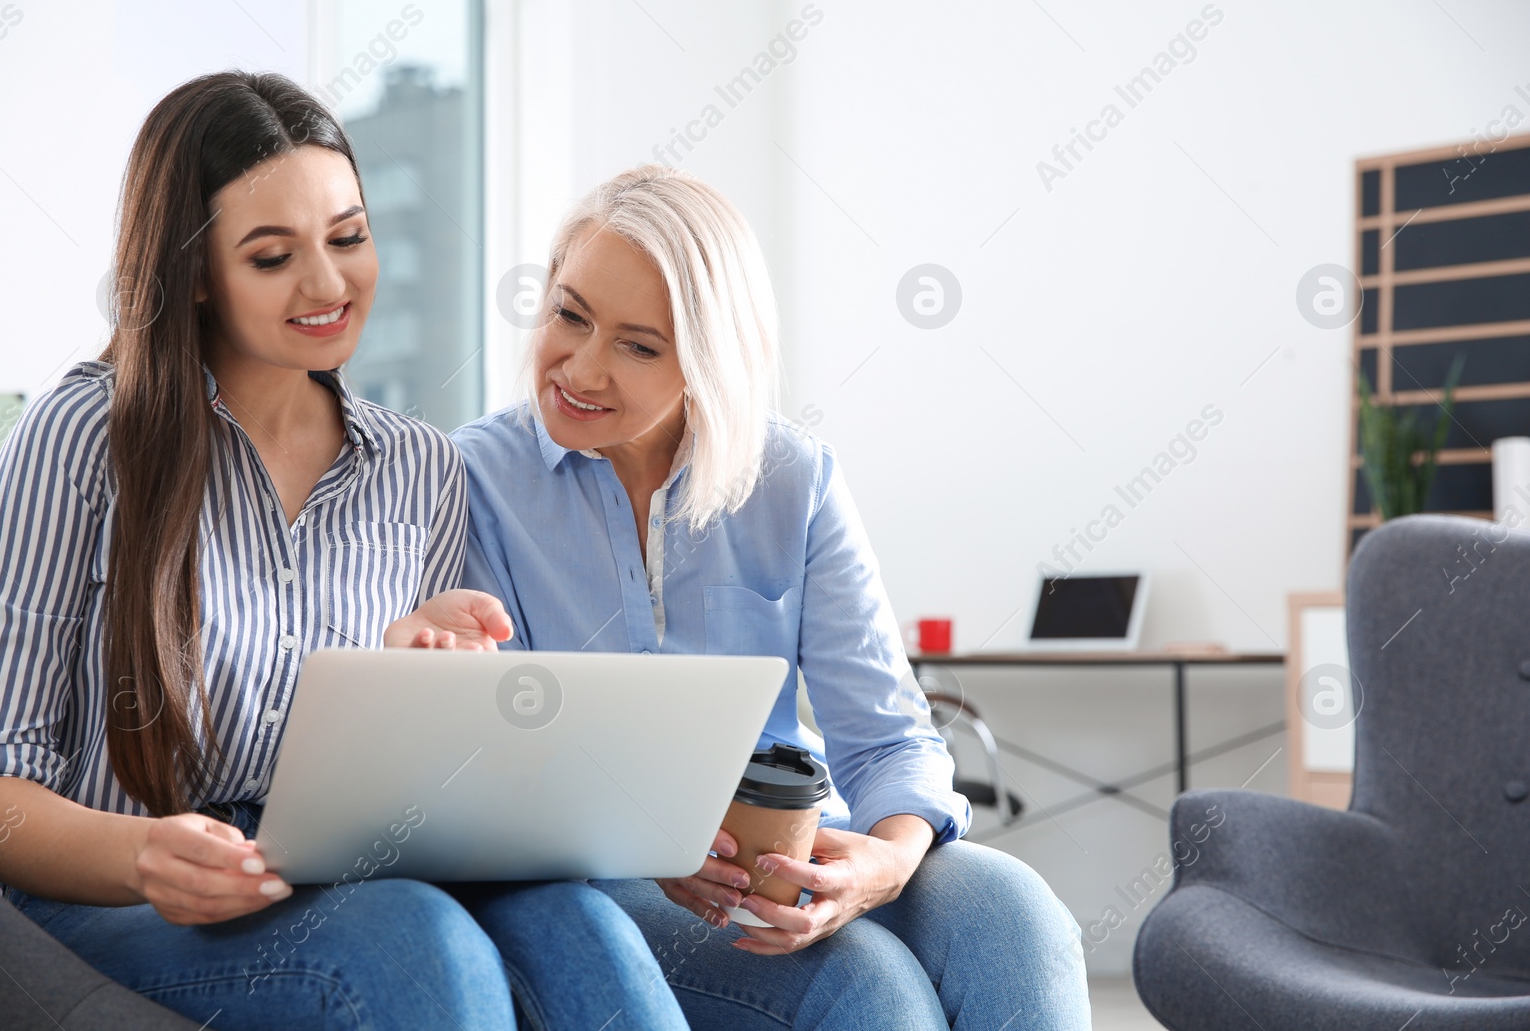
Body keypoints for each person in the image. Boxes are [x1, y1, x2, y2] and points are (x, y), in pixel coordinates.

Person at [0, 73, 687, 1031]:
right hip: (112, 902)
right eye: (272, 254)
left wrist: (423, 680)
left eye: (348, 237)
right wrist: (140, 854)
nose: (328, 284)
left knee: (586, 926)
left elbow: (416, 791)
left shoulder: (416, 465)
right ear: (196, 271)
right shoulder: (80, 436)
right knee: (413, 943)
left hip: (333, 877)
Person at [450, 165, 1093, 1030]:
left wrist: (884, 863)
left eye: (639, 345)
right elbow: (502, 755)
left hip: (792, 844)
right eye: (570, 314)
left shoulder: (792, 479)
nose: (583, 366)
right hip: (608, 879)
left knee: (1014, 914)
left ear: (708, 361)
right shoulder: (473, 481)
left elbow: (890, 734)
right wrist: (651, 835)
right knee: (870, 988)